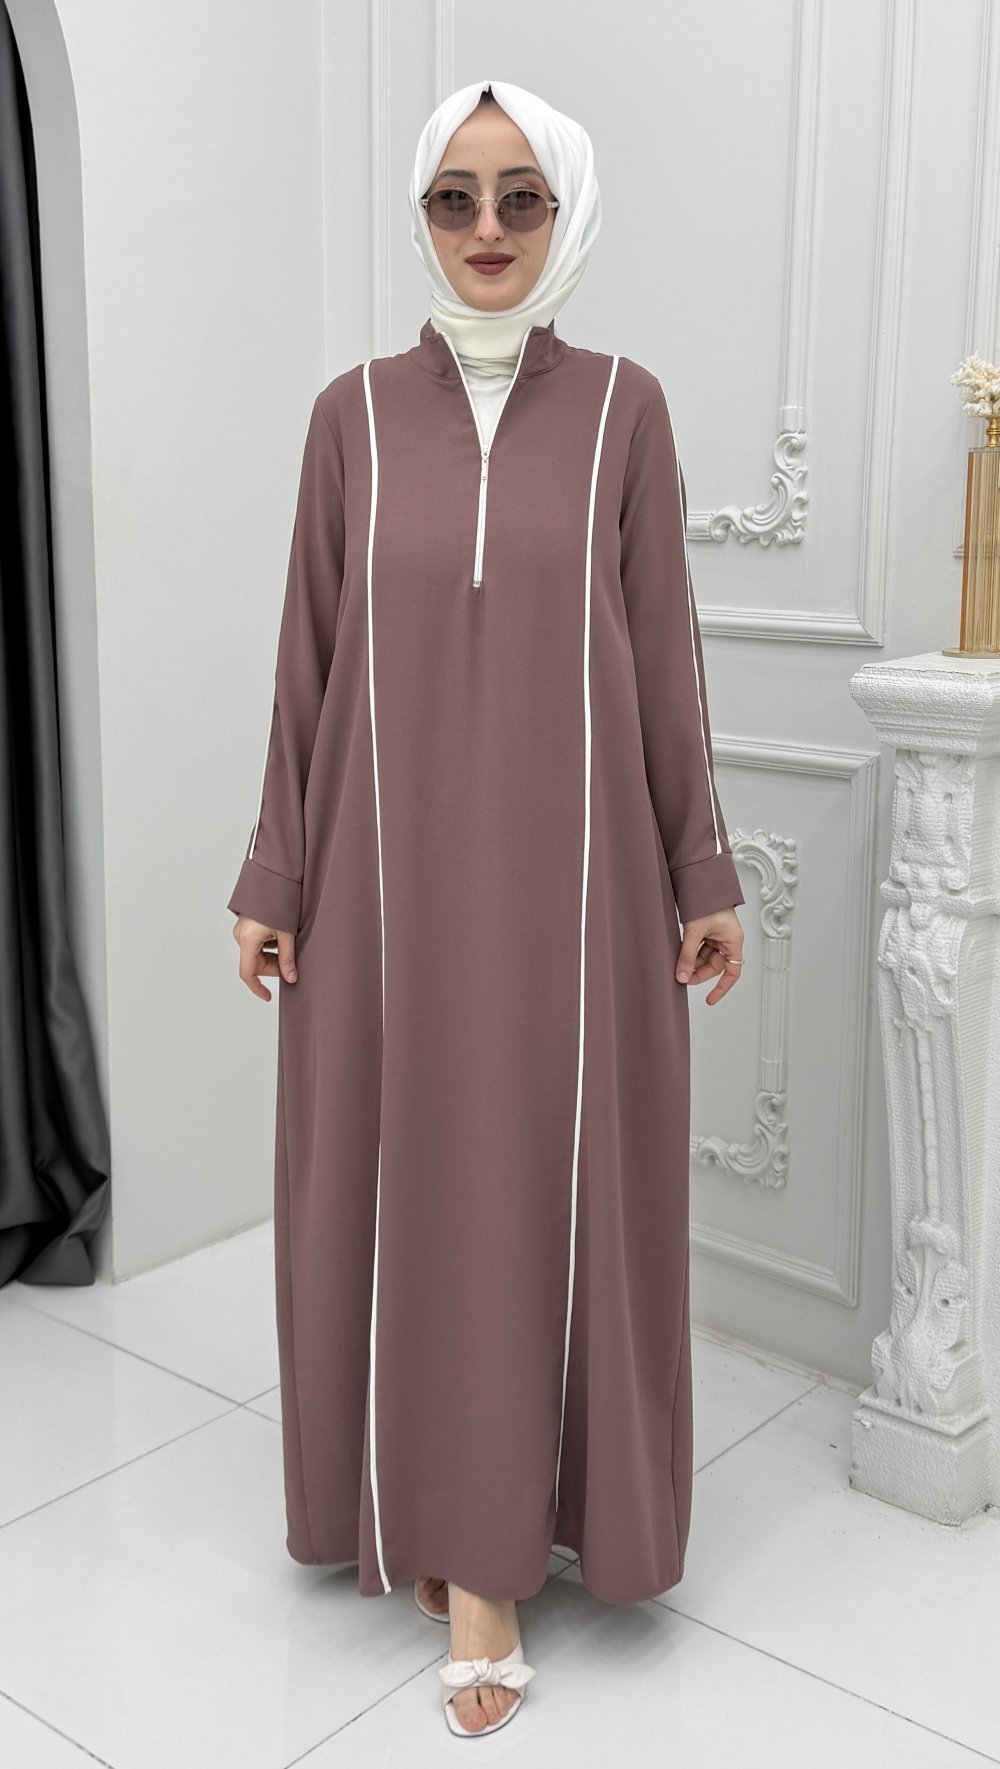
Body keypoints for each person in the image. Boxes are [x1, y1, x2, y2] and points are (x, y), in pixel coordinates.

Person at [228, 77, 746, 1740]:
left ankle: (535, 1513)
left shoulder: (625, 413)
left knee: (540, 1186)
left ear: (565, 210)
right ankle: (467, 1556)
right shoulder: (352, 418)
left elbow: (664, 656)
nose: (489, 228)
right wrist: (276, 875)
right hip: (382, 885)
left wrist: (701, 869)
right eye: (455, 198)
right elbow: (307, 662)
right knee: (416, 1188)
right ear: (421, 216)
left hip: (572, 895)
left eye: (522, 196)